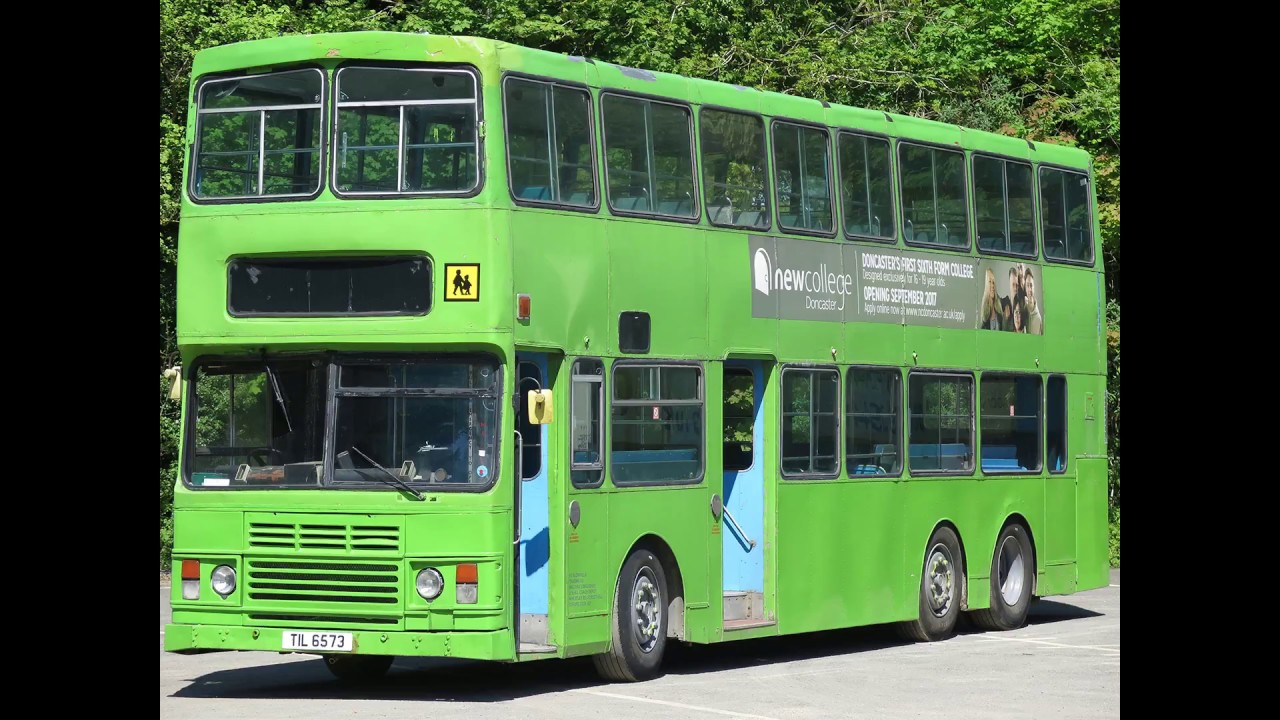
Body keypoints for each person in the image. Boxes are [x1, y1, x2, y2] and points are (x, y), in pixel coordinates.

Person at [1023, 267, 1043, 335]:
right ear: (1025, 287)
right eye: (1027, 285)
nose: (1030, 289)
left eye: (1031, 285)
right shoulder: (1022, 311)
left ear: (1034, 287)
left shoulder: (1038, 318)